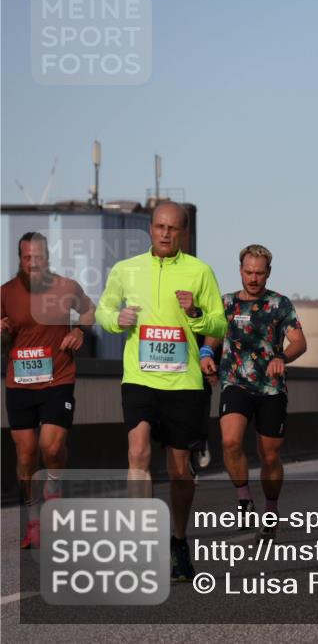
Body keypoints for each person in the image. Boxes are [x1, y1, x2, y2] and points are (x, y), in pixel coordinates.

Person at [95, 201, 227, 581]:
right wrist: (116, 320)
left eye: (173, 228)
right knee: (137, 451)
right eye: (159, 227)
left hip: (184, 382)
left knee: (179, 469)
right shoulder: (126, 270)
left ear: (182, 233)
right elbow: (103, 310)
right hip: (139, 378)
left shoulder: (199, 271)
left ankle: (179, 541)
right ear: (150, 229)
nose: (165, 234)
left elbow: (219, 323)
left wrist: (197, 315)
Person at [200, 245, 307, 541]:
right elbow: (214, 333)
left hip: (271, 388)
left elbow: (299, 341)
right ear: (240, 270)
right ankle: (244, 499)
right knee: (231, 441)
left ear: (268, 273)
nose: (253, 278)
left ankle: (271, 511)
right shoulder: (227, 303)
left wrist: (282, 358)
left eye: (259, 273)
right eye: (248, 272)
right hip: (235, 382)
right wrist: (207, 351)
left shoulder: (279, 304)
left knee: (269, 456)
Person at [2, 232, 95, 549]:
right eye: (26, 258)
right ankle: (33, 522)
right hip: (20, 383)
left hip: (58, 378)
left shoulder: (66, 287)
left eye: (38, 257)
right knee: (26, 454)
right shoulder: (6, 293)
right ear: (19, 258)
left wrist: (80, 331)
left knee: (52, 448)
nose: (32, 263)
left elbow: (89, 311)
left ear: (47, 257)